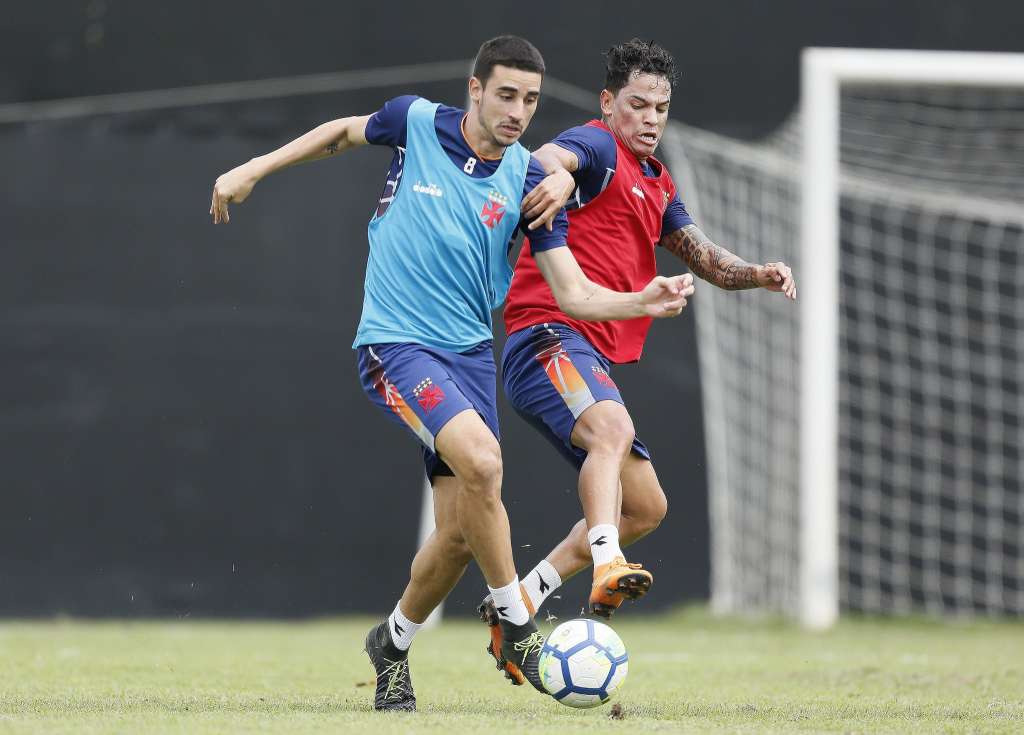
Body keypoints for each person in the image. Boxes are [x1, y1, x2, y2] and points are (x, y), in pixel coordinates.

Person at [209, 35, 694, 711]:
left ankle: (391, 642)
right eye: (505, 95)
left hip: (468, 358)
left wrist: (642, 299)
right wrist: (254, 167)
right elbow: (342, 132)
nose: (517, 111)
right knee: (485, 463)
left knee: (461, 534)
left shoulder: (527, 181)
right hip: (396, 343)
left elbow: (575, 294)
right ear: (475, 89)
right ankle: (518, 626)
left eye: (530, 99)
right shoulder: (416, 122)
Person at [479, 38, 796, 665]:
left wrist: (757, 273)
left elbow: (707, 259)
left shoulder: (657, 182)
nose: (651, 119)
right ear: (608, 103)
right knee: (613, 430)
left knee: (647, 506)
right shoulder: (598, 147)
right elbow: (547, 157)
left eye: (661, 108)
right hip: (545, 337)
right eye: (638, 105)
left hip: (585, 354)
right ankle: (607, 563)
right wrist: (558, 173)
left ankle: (519, 599)